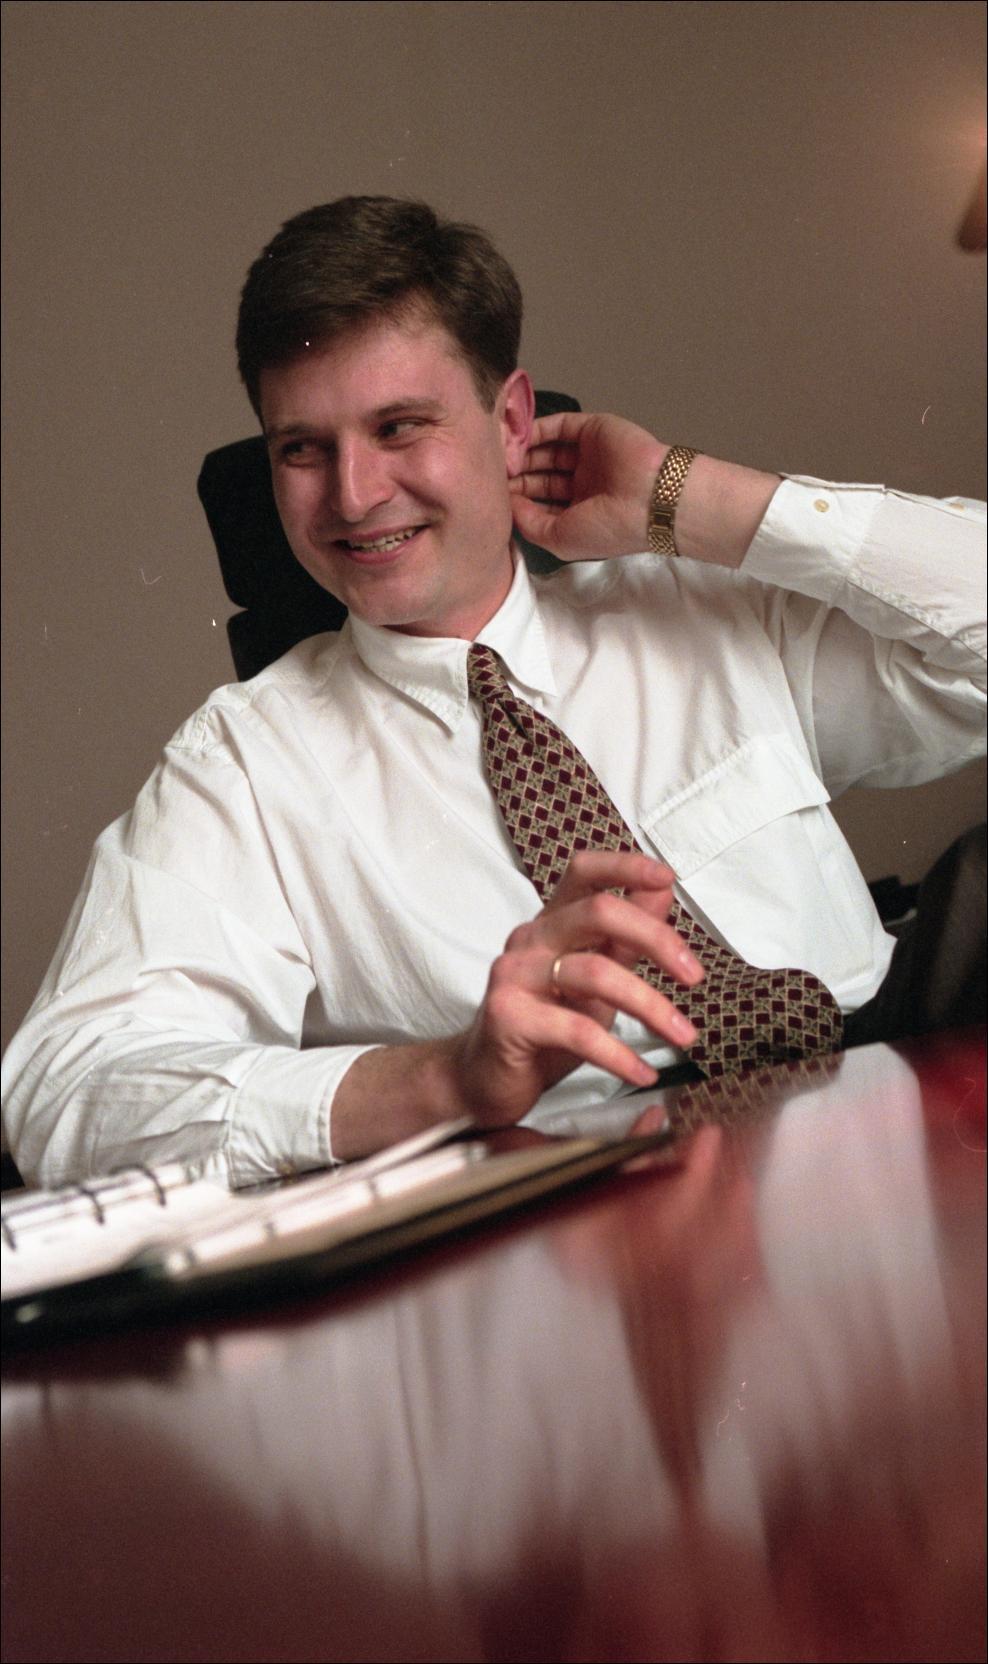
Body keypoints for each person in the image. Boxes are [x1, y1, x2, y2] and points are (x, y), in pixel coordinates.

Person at [2, 197, 984, 1187]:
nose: (353, 494)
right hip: (596, 1202)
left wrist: (688, 496)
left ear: (511, 421)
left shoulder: (700, 606)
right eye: (302, 448)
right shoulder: (245, 764)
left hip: (890, 1122)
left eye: (398, 427)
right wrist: (446, 1077)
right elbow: (66, 1086)